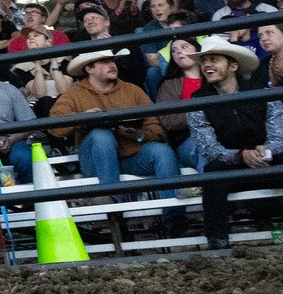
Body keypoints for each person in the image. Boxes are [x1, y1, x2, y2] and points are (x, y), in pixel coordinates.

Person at [185, 36, 283, 250]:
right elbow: (208, 147)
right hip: (232, 162)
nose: (207, 65)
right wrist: (239, 155)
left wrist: (268, 149)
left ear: (233, 66)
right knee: (212, 173)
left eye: (214, 59)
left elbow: (281, 136)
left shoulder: (260, 91)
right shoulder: (198, 100)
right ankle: (216, 240)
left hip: (265, 158)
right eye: (204, 61)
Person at [47, 48, 184, 231]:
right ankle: (114, 210)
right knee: (101, 135)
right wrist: (82, 117)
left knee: (163, 152)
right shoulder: (74, 94)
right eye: (105, 62)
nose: (112, 65)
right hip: (96, 161)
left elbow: (157, 127)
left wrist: (138, 134)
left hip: (130, 156)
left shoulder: (132, 90)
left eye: (113, 61)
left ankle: (174, 218)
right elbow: (54, 126)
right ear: (90, 69)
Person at [154, 38, 207, 172]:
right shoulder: (169, 84)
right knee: (203, 147)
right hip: (188, 140)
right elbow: (169, 120)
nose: (179, 52)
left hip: (220, 132)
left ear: (197, 50)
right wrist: (205, 113)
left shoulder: (212, 77)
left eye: (184, 47)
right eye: (174, 50)